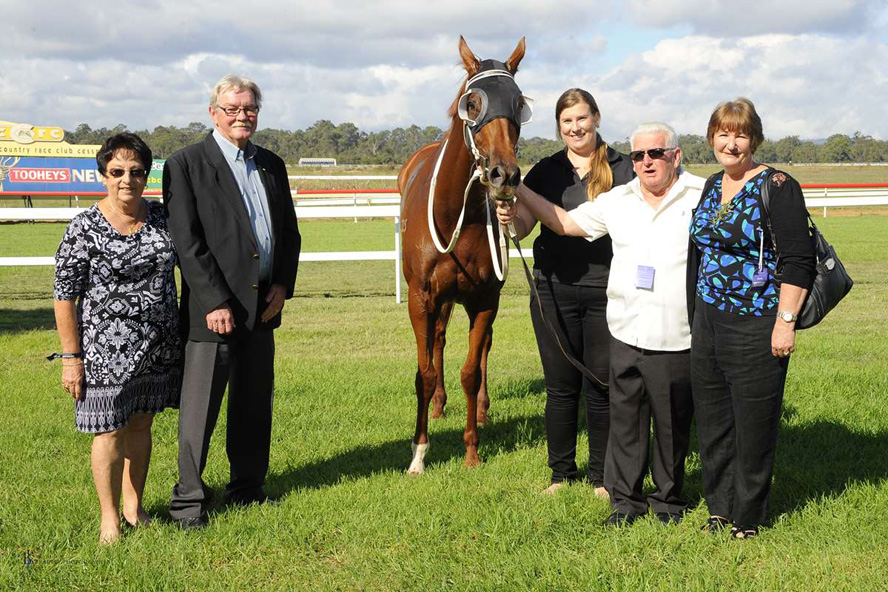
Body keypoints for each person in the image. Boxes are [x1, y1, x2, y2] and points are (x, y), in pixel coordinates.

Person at [498, 122, 704, 525]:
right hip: (625, 329)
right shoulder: (619, 199)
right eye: (639, 155)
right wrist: (517, 188)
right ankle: (625, 503)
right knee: (624, 422)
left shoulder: (702, 195)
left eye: (656, 153)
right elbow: (564, 222)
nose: (646, 162)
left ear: (675, 156)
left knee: (671, 424)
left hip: (676, 331)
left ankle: (667, 502)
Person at [164, 74, 301, 529]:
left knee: (253, 405)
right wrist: (214, 301)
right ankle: (188, 502)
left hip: (263, 307)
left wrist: (282, 284)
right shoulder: (186, 164)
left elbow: (288, 233)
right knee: (200, 411)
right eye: (232, 108)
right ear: (213, 112)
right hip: (214, 313)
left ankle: (247, 488)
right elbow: (187, 242)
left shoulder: (271, 164)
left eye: (249, 108)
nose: (242, 115)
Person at [689, 98, 815, 539]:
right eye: (723, 133)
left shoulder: (778, 186)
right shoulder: (711, 185)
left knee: (753, 423)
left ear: (754, 139)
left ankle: (748, 517)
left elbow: (799, 261)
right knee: (713, 421)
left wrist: (786, 321)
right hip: (708, 318)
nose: (731, 143)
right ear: (712, 137)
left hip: (757, 321)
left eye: (740, 134)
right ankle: (719, 509)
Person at [502, 89, 633, 496]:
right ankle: (561, 475)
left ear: (596, 118)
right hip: (553, 291)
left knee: (601, 386)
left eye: (581, 118)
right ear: (559, 127)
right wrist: (508, 215)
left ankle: (601, 478)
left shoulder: (624, 168)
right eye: (567, 122)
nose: (575, 128)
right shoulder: (546, 170)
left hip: (607, 291)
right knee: (560, 388)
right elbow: (522, 228)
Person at [53, 132, 182, 544]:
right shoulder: (84, 227)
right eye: (118, 171)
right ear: (104, 175)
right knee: (108, 431)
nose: (128, 179)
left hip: (158, 346)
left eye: (137, 171)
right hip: (104, 353)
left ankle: (133, 506)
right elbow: (64, 296)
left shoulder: (163, 217)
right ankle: (109, 517)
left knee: (141, 425)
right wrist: (71, 358)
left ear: (147, 175)